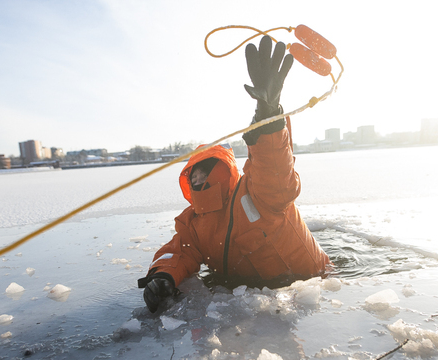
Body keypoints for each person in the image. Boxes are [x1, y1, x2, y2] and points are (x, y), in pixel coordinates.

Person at [138, 36, 332, 313]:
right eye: (192, 173)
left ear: (222, 170)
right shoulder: (193, 223)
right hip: (254, 301)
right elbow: (178, 252)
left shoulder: (255, 193)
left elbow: (275, 173)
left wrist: (268, 115)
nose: (196, 179)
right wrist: (162, 276)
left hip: (313, 287)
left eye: (204, 170)